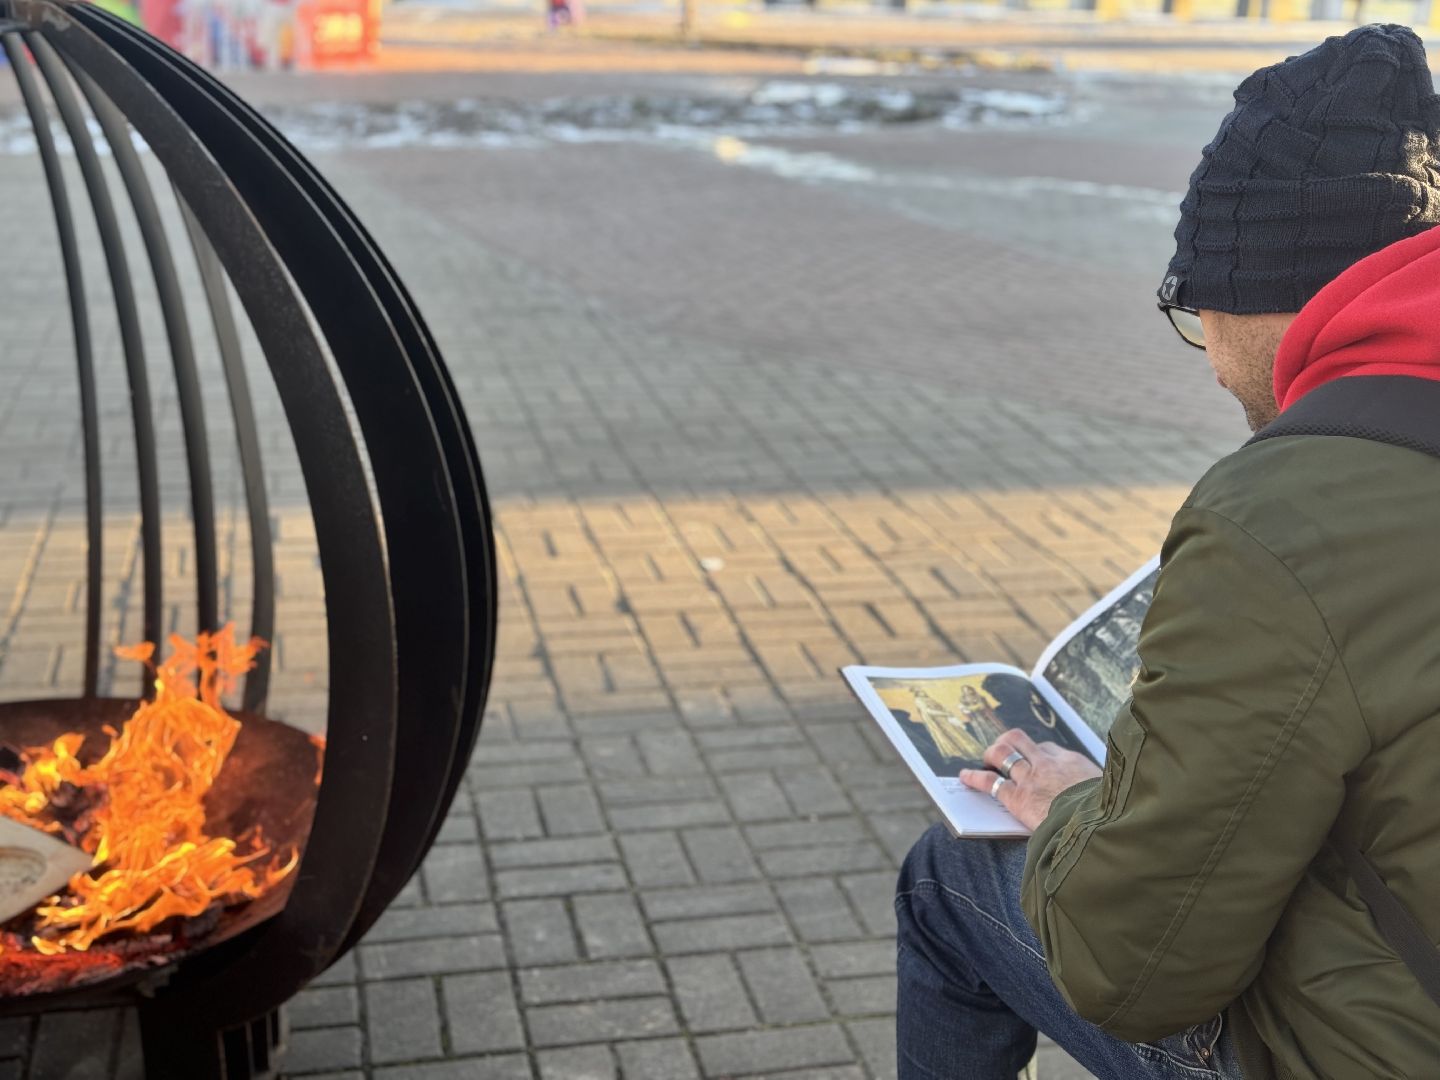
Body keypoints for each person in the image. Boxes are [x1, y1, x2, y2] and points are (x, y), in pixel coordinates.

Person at [895, 24, 1440, 1080]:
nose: (1214, 369)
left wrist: (1070, 810)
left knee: (950, 879)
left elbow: (1133, 967)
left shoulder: (1284, 517)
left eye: (1197, 313)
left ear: (1268, 290)